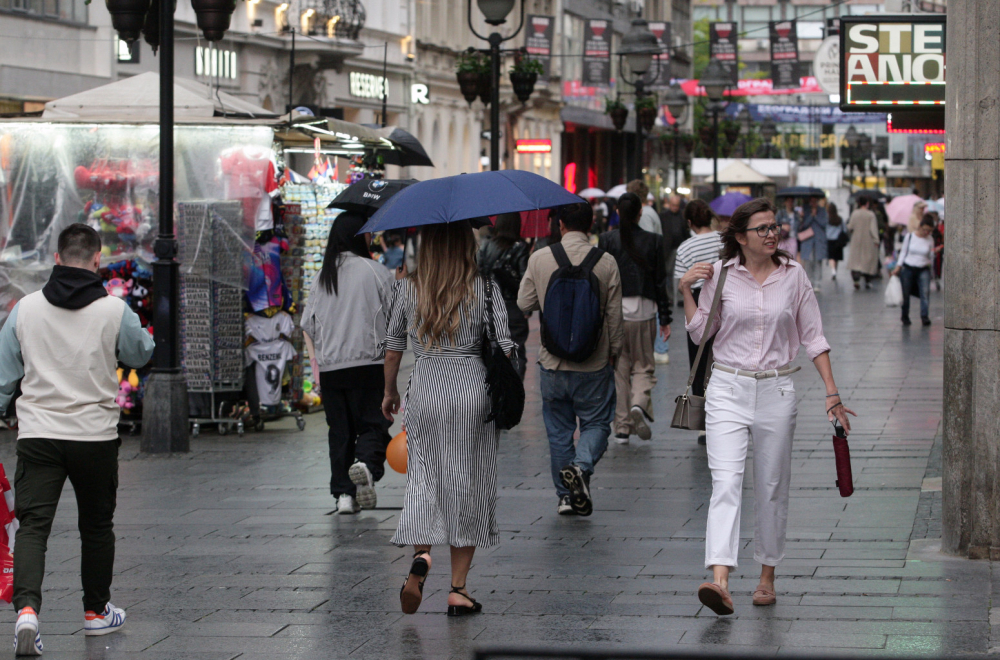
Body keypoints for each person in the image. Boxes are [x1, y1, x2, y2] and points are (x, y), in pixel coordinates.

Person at [680, 197, 855, 617]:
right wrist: (686, 290)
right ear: (741, 237)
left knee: (772, 486)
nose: (772, 233)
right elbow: (701, 332)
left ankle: (766, 576)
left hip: (776, 389)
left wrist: (832, 392)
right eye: (762, 228)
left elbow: (813, 336)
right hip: (727, 387)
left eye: (774, 226)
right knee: (725, 482)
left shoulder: (793, 276)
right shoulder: (721, 273)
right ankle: (720, 579)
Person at [0, 224, 155, 655]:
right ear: (97, 260)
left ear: (57, 258)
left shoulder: (25, 309)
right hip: (94, 436)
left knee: (33, 527)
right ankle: (96, 612)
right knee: (97, 526)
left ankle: (27, 613)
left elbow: (4, 376)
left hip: (39, 435)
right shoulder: (113, 309)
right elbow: (141, 353)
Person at [382, 220, 514, 617]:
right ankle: (458, 589)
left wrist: (389, 392)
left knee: (423, 476)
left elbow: (393, 347)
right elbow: (506, 346)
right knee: (468, 481)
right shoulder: (485, 287)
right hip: (472, 386)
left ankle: (422, 555)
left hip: (425, 385)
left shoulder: (408, 287)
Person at [518, 203, 623, 517]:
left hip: (553, 362)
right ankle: (580, 466)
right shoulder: (606, 261)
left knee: (559, 432)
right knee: (597, 424)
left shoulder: (540, 258)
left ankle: (565, 497)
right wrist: (615, 352)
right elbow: (614, 316)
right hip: (594, 362)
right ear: (590, 225)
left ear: (560, 224)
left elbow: (524, 302)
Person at [302, 211, 394, 515]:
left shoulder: (322, 276)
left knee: (339, 431)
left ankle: (344, 495)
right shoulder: (376, 272)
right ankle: (366, 464)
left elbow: (308, 325)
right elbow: (396, 317)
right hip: (368, 363)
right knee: (374, 422)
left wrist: (317, 359)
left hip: (331, 368)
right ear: (358, 236)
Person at [598, 193, 671, 445]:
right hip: (645, 311)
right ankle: (638, 403)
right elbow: (660, 282)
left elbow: (600, 279)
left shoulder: (607, 240)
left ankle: (621, 427)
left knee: (619, 370)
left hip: (615, 313)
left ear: (617, 212)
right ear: (641, 213)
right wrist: (665, 318)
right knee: (643, 366)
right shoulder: (654, 241)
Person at [673, 199, 724, 446]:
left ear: (690, 222)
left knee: (698, 358)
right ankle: (724, 413)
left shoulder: (685, 247)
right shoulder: (723, 240)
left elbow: (681, 282)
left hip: (696, 300)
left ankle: (704, 424)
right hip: (723, 298)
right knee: (723, 356)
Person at [478, 212, 530, 379]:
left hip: (489, 307)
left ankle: (494, 388)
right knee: (515, 353)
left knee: (490, 351)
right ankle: (513, 390)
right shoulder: (520, 247)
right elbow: (524, 284)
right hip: (513, 308)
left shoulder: (486, 245)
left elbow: (478, 276)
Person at [893, 214, 942, 326]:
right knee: (905, 294)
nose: (926, 233)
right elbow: (903, 252)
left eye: (929, 231)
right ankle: (905, 316)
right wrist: (898, 267)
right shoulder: (910, 236)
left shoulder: (930, 239)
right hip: (908, 267)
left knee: (925, 293)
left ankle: (924, 316)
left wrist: (934, 253)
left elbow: (930, 256)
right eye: (925, 230)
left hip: (923, 268)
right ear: (920, 226)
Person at [657, 194, 688, 364]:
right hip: (668, 248)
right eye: (673, 205)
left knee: (681, 273)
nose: (675, 208)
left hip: (679, 246)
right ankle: (670, 296)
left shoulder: (681, 216)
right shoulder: (663, 216)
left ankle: (681, 297)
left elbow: (684, 231)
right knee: (668, 272)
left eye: (677, 205)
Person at [847, 197, 881, 290]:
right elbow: (873, 229)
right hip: (868, 240)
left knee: (856, 261)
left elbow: (850, 226)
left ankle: (856, 280)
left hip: (856, 240)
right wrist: (876, 240)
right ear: (867, 203)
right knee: (867, 261)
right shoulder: (871, 215)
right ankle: (867, 281)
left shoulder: (855, 213)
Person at [798, 196, 828, 287]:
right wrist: (811, 215)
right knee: (808, 261)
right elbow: (804, 225)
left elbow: (824, 224)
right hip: (808, 240)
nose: (813, 203)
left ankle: (817, 282)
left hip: (819, 240)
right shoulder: (805, 210)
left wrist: (816, 216)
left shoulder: (822, 211)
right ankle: (809, 282)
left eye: (815, 201)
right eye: (812, 201)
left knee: (818, 261)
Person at [825, 203, 846, 280]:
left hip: (829, 240)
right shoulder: (839, 219)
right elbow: (844, 229)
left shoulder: (827, 219)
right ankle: (835, 270)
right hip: (838, 240)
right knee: (836, 257)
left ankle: (833, 270)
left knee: (831, 257)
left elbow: (824, 229)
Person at [775, 197, 799, 261]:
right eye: (788, 201)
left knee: (792, 258)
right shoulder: (780, 213)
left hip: (792, 238)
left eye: (791, 201)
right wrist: (783, 226)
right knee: (780, 258)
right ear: (785, 202)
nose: (790, 203)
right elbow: (774, 225)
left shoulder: (796, 214)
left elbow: (799, 226)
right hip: (782, 239)